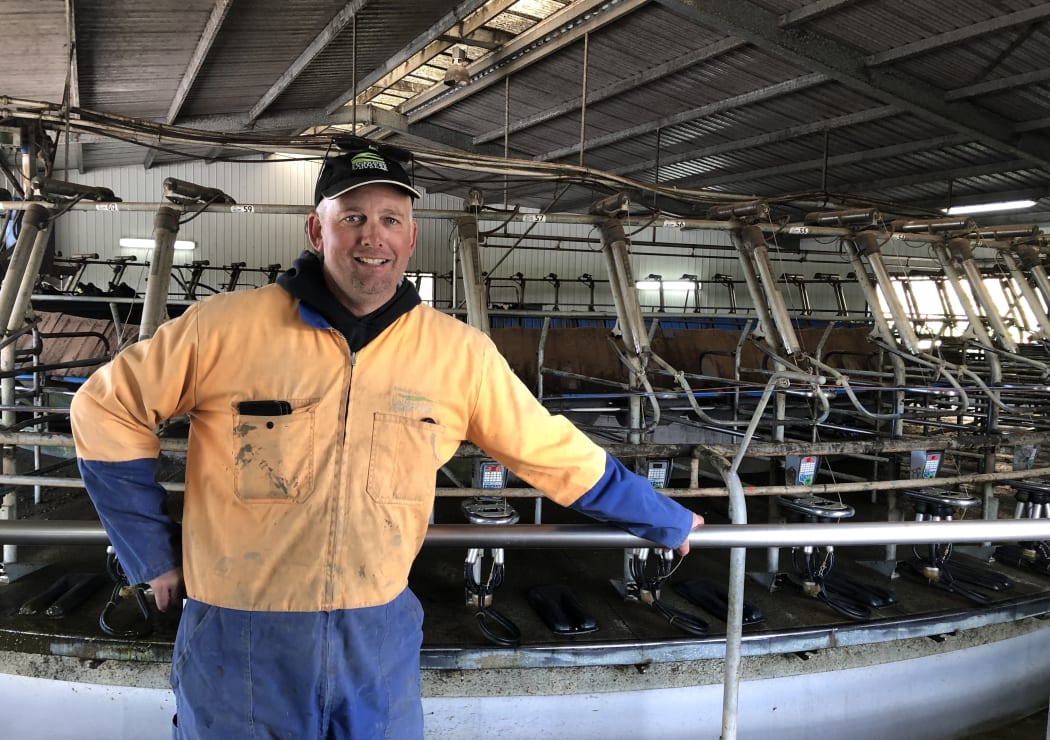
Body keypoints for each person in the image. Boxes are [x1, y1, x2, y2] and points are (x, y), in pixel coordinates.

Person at [70, 141, 704, 739]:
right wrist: (149, 555)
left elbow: (549, 451)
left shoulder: (458, 354)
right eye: (352, 217)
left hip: (376, 636)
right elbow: (106, 408)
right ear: (318, 232)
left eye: (391, 219)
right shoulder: (223, 328)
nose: (372, 236)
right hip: (237, 636)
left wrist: (663, 516)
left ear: (411, 236)